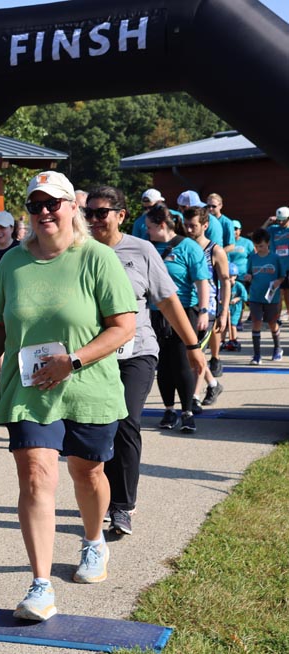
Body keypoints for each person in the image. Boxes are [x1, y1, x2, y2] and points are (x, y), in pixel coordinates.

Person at [0, 171, 136, 622]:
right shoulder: (12, 263)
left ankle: (93, 540)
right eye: (35, 204)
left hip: (88, 386)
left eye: (52, 203)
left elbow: (124, 327)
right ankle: (40, 585)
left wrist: (72, 361)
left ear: (71, 207)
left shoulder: (97, 257)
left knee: (87, 471)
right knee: (36, 476)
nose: (44, 211)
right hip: (30, 388)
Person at [85, 186, 205, 537]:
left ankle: (122, 506)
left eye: (101, 213)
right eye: (88, 213)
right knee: (98, 426)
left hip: (136, 351)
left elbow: (167, 300)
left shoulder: (142, 250)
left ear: (121, 215)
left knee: (125, 420)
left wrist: (193, 345)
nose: (93, 220)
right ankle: (103, 494)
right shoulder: (79, 251)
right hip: (93, 354)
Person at [144, 205, 211, 432]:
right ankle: (169, 410)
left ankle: (187, 412)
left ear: (162, 225)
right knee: (163, 364)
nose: (147, 231)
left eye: (150, 227)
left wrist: (204, 311)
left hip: (184, 310)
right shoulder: (148, 247)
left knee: (182, 362)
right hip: (155, 312)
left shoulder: (188, 247)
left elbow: (202, 281)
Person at [182, 207, 230, 405]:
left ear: (205, 225)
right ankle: (213, 384)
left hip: (207, 309)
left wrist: (224, 312)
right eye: (186, 225)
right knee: (192, 352)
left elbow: (225, 281)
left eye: (193, 226)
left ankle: (193, 397)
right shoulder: (183, 246)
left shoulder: (215, 250)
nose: (188, 230)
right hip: (186, 306)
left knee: (195, 350)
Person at [244, 227, 284, 365]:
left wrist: (278, 282)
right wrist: (248, 277)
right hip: (255, 296)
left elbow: (282, 276)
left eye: (261, 246)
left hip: (272, 297)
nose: (258, 249)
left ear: (268, 243)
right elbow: (249, 273)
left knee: (272, 323)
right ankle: (257, 355)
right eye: (256, 246)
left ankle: (277, 348)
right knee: (256, 323)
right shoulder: (252, 258)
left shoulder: (275, 258)